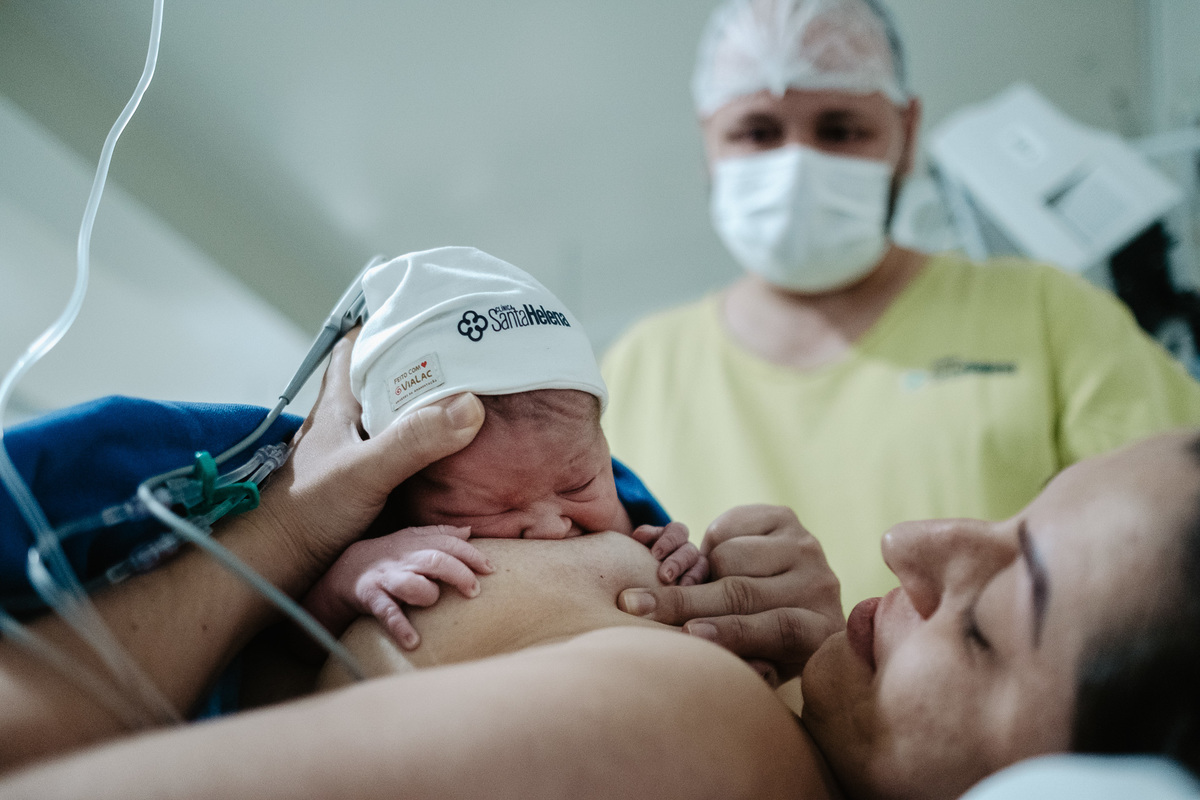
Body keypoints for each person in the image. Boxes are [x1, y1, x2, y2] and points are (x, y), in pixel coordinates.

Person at [3, 423, 1199, 799]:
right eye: (1011, 511)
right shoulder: (752, 704)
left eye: (988, 623)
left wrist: (286, 521)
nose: (907, 547)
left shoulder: (694, 729)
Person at [600, 0, 1200, 608]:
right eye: (757, 131)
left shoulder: (1052, 316)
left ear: (906, 132)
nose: (796, 167)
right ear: (709, 141)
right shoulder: (632, 372)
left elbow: (1173, 550)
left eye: (840, 129)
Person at [300, 245, 705, 652]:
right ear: (395, 495)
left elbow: (689, 601)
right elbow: (282, 654)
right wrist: (343, 585)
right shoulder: (379, 545)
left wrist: (678, 561)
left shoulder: (628, 512)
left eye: (578, 486)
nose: (550, 530)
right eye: (497, 508)